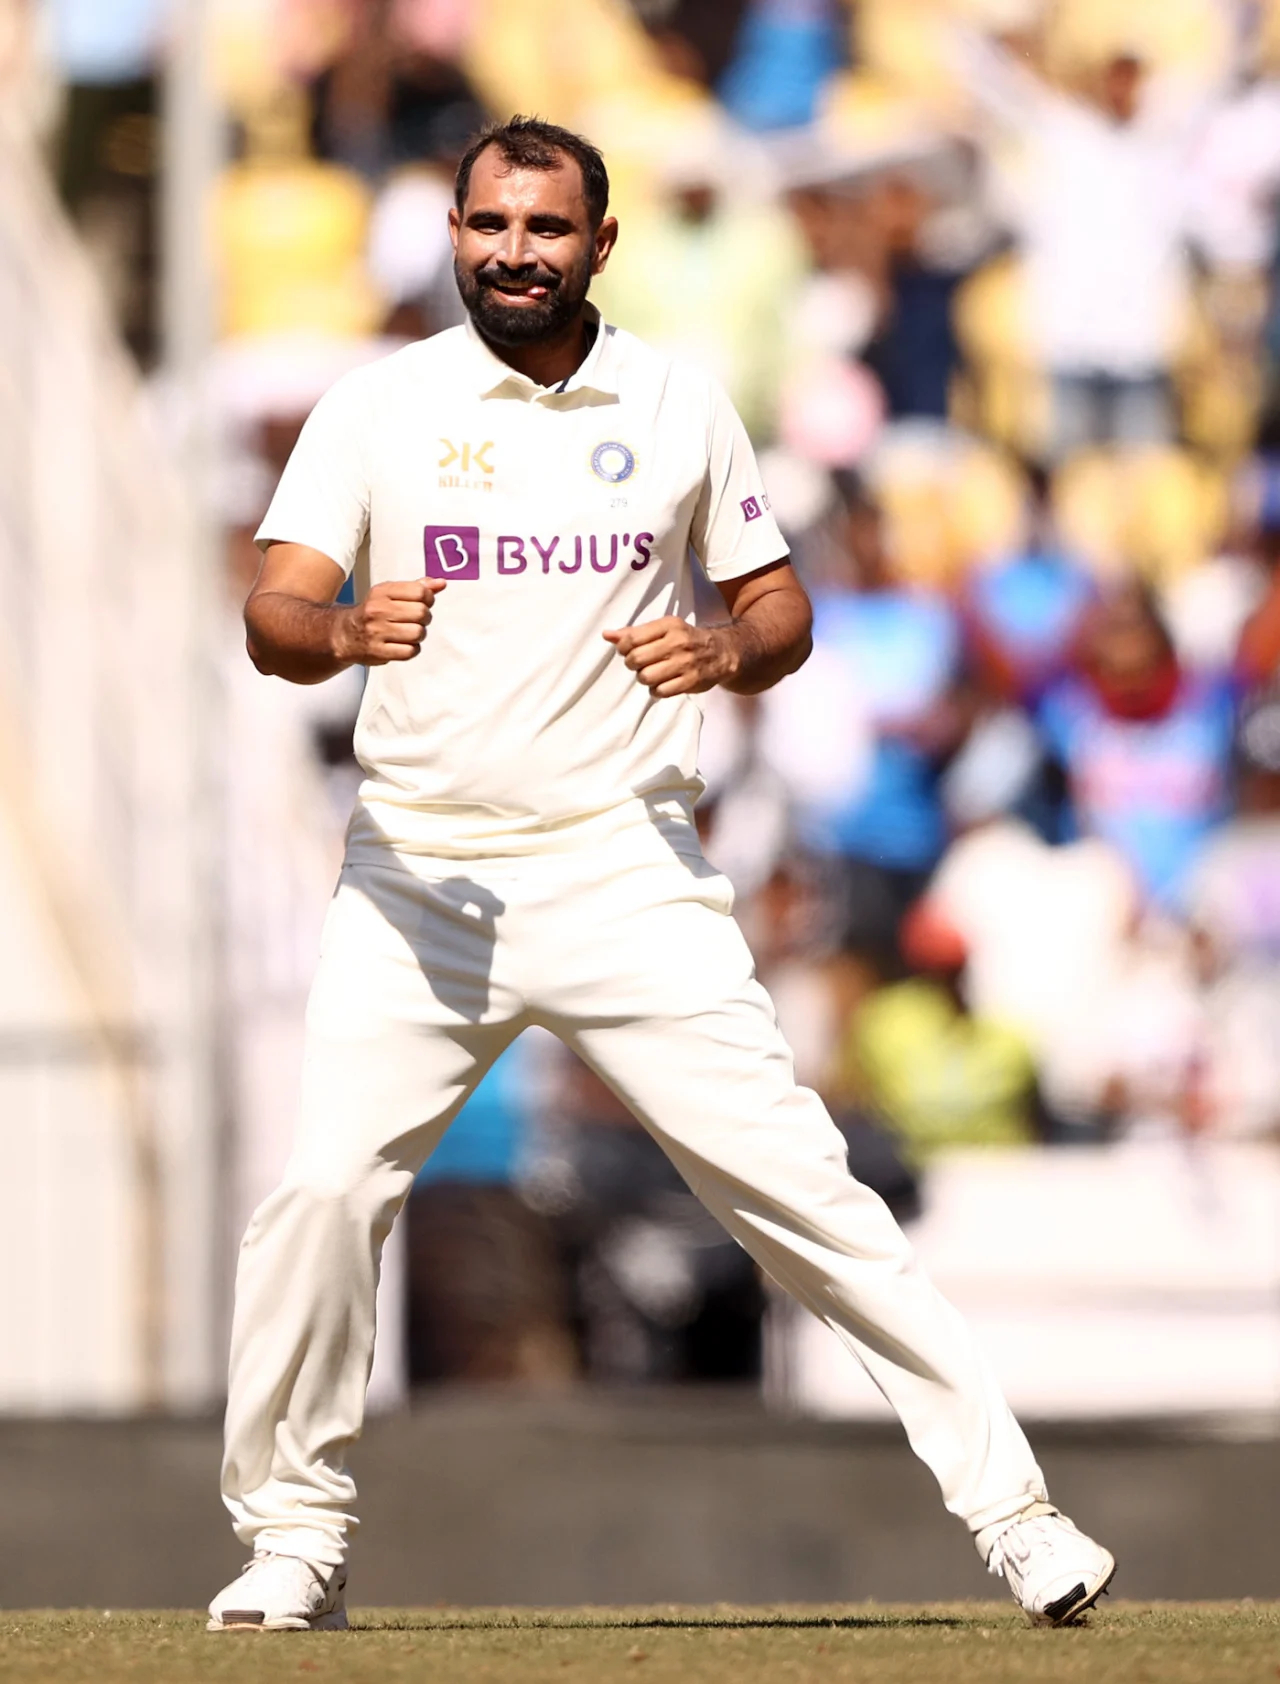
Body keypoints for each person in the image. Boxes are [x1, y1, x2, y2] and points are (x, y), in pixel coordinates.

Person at [207, 116, 1113, 1634]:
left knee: (805, 1197)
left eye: (546, 229)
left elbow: (780, 608)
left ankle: (1019, 1520)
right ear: (454, 233)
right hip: (422, 883)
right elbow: (273, 610)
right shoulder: (381, 407)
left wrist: (726, 651)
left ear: (599, 246)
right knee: (319, 1193)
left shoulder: (681, 401)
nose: (514, 253)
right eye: (490, 225)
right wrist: (347, 631)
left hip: (627, 867)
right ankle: (294, 1537)